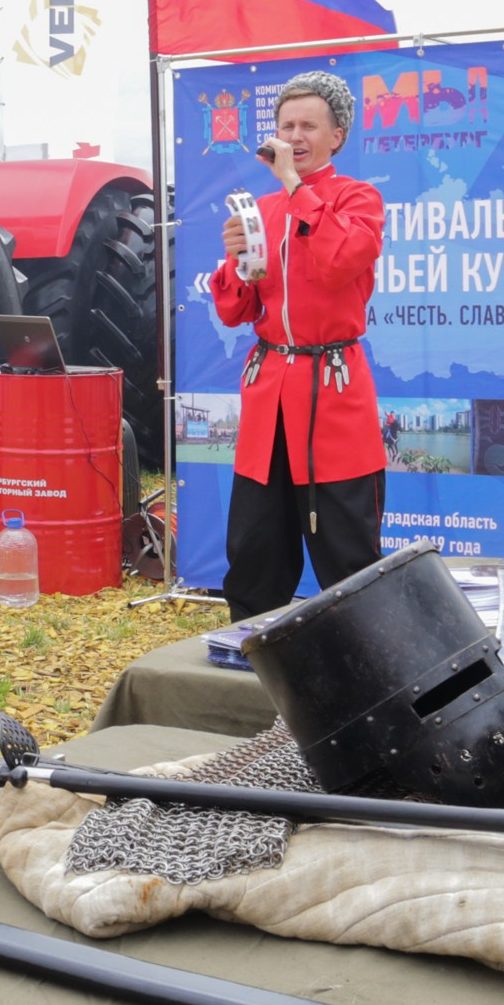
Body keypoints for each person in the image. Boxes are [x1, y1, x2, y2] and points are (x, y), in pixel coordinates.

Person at [211, 72, 387, 619]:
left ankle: (363, 653)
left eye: (308, 126)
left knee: (348, 554)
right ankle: (251, 650)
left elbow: (342, 261)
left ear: (338, 136)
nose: (294, 137)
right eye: (286, 126)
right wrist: (236, 261)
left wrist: (294, 187)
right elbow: (235, 309)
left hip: (334, 394)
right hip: (269, 395)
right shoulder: (260, 211)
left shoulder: (358, 198)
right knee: (254, 551)